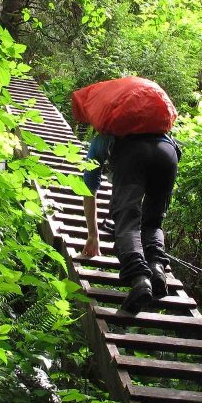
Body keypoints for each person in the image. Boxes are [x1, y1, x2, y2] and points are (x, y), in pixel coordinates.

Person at [77, 93, 180, 314]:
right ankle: (157, 268)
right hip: (167, 153)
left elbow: (88, 189)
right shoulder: (160, 132)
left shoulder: (102, 139)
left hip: (132, 155)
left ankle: (140, 280)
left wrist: (93, 234)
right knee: (153, 222)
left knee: (127, 221)